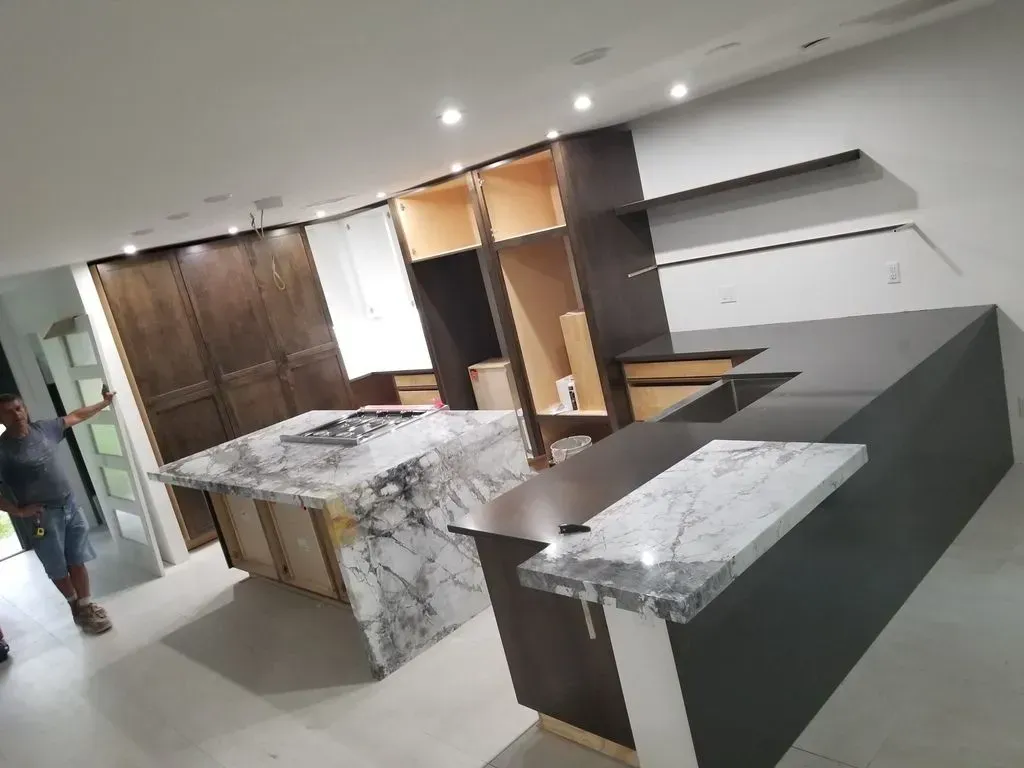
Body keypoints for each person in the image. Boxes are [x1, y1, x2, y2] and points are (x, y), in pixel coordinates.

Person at [0, 390, 117, 635]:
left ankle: (86, 606)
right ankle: (75, 605)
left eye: (19, 408)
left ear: (26, 409)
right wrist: (19, 512)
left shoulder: (44, 429)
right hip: (43, 517)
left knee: (77, 557)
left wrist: (104, 403)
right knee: (57, 566)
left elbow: (74, 416)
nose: (17, 414)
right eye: (9, 412)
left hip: (69, 506)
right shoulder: (3, 450)